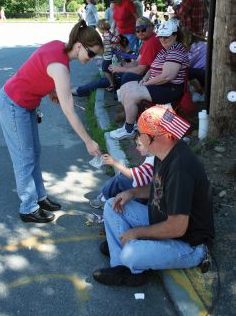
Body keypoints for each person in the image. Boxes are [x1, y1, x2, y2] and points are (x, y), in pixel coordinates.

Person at [93, 105, 214, 286]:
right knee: (113, 205)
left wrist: (136, 232)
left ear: (158, 137)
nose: (138, 138)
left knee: (130, 252)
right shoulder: (166, 151)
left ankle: (130, 263)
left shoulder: (181, 169)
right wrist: (132, 192)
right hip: (162, 220)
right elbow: (158, 186)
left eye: (141, 133)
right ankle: (122, 266)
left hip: (189, 244)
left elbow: (177, 228)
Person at [0, 20, 103, 223]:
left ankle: (40, 197)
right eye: (91, 53)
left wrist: (52, 89)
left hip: (25, 105)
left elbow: (39, 68)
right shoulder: (60, 68)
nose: (91, 58)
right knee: (24, 157)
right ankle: (28, 208)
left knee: (34, 153)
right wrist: (89, 142)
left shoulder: (57, 47)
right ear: (79, 46)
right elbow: (69, 111)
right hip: (12, 104)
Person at [110, 20, 189, 140]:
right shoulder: (166, 49)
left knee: (132, 94)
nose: (162, 39)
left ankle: (128, 129)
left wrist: (147, 83)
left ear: (175, 35)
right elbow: (152, 67)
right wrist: (146, 78)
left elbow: (167, 76)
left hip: (169, 89)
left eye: (166, 36)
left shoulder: (175, 51)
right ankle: (134, 121)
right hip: (159, 85)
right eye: (161, 36)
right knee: (125, 87)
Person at [89, 132, 154, 209]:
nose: (136, 148)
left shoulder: (152, 162)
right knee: (122, 176)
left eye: (139, 145)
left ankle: (104, 199)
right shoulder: (153, 156)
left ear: (150, 144)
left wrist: (115, 163)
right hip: (145, 192)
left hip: (144, 196)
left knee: (120, 179)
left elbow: (132, 175)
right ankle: (105, 195)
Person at [108, 17, 162, 87]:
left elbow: (140, 70)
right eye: (137, 30)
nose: (140, 33)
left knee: (127, 76)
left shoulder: (151, 42)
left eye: (143, 29)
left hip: (153, 78)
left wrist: (120, 69)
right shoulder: (148, 40)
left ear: (151, 27)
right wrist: (122, 65)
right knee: (116, 75)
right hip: (149, 74)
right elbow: (137, 61)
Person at [96, 18, 121, 92]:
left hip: (108, 56)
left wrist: (114, 44)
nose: (98, 30)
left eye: (98, 29)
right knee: (107, 70)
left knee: (106, 70)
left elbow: (116, 40)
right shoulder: (106, 34)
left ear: (102, 28)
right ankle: (113, 83)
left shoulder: (108, 35)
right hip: (107, 55)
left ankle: (112, 85)